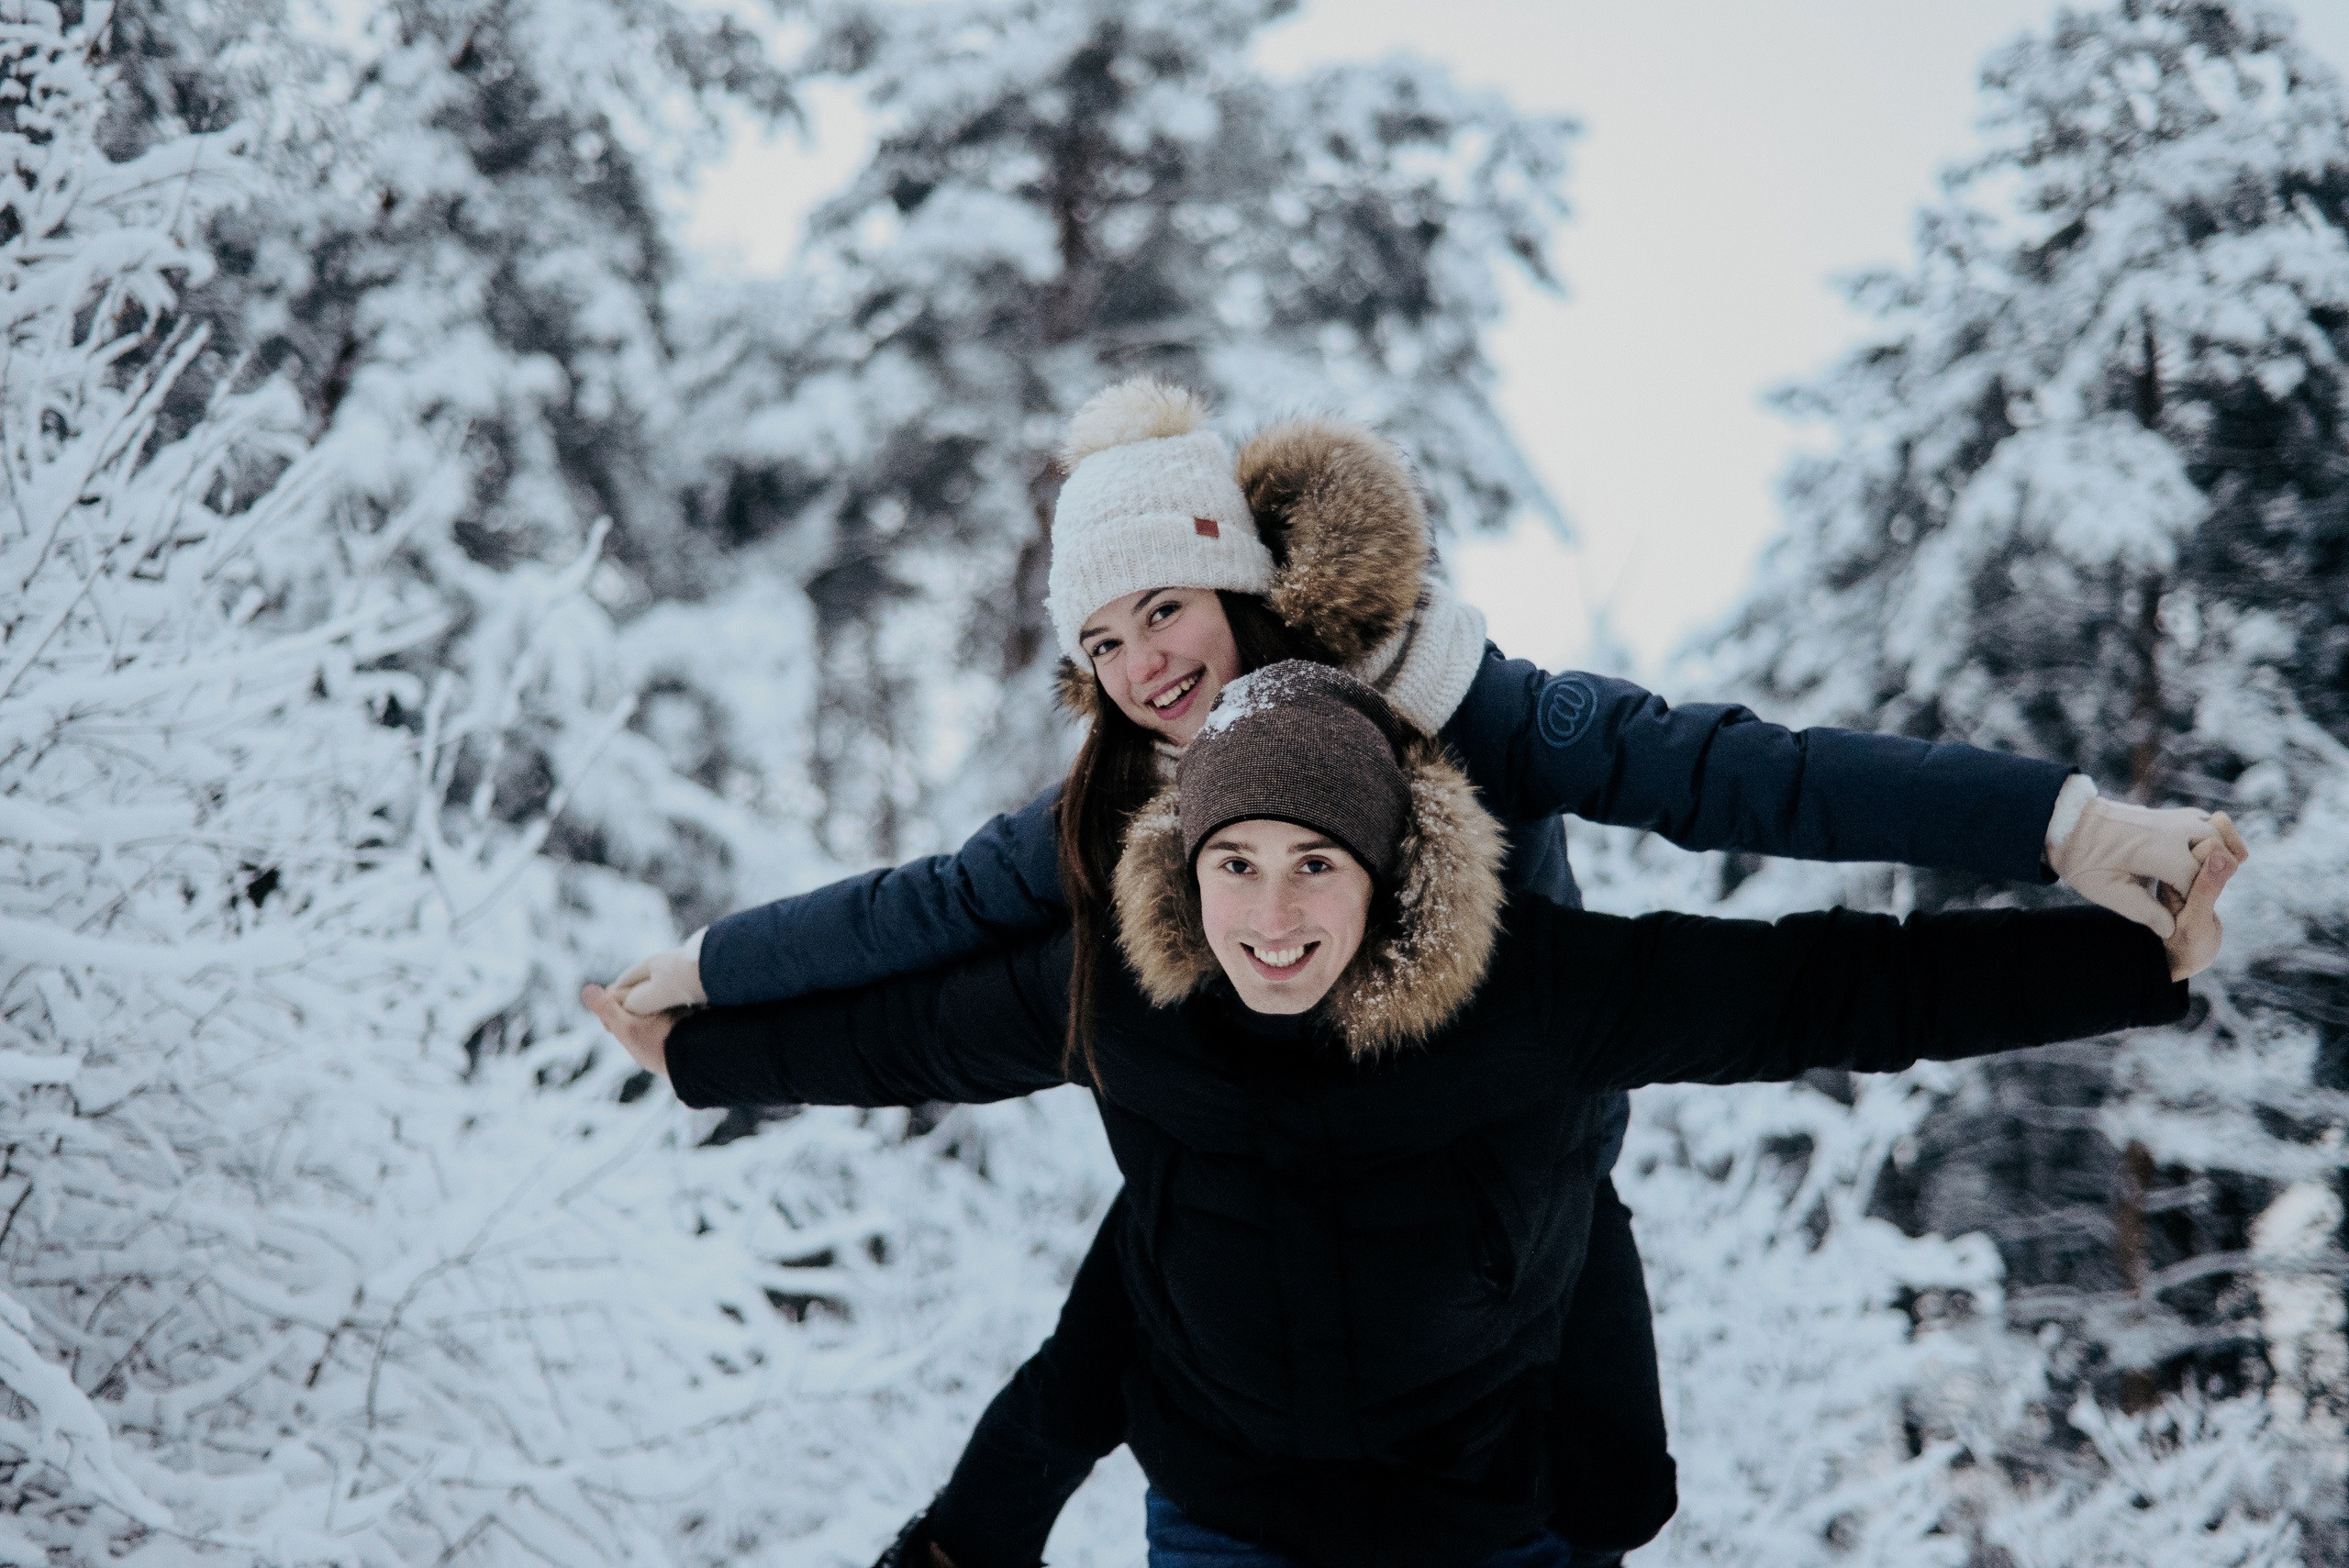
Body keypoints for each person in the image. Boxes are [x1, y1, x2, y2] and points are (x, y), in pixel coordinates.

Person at [598, 379, 2220, 1564]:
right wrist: (709, 985)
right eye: (1102, 644)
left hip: (1501, 1159)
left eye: (1166, 607)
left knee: (1566, 1470)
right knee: (1157, 1283)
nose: (1146, 665)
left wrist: (2063, 834)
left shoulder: (1465, 697)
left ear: (1237, 572)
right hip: (1244, 1220)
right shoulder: (1127, 809)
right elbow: (926, 936)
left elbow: (1754, 790)